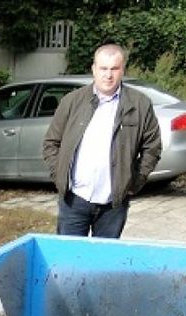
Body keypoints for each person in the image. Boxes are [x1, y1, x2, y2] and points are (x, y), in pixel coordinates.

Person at [41, 43, 162, 239]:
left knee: (104, 264)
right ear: (94, 69)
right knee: (68, 260)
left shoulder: (140, 104)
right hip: (74, 200)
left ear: (122, 70)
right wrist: (60, 176)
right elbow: (51, 143)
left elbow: (152, 147)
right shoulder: (72, 101)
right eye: (103, 68)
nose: (108, 75)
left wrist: (134, 182)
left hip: (113, 206)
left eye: (114, 68)